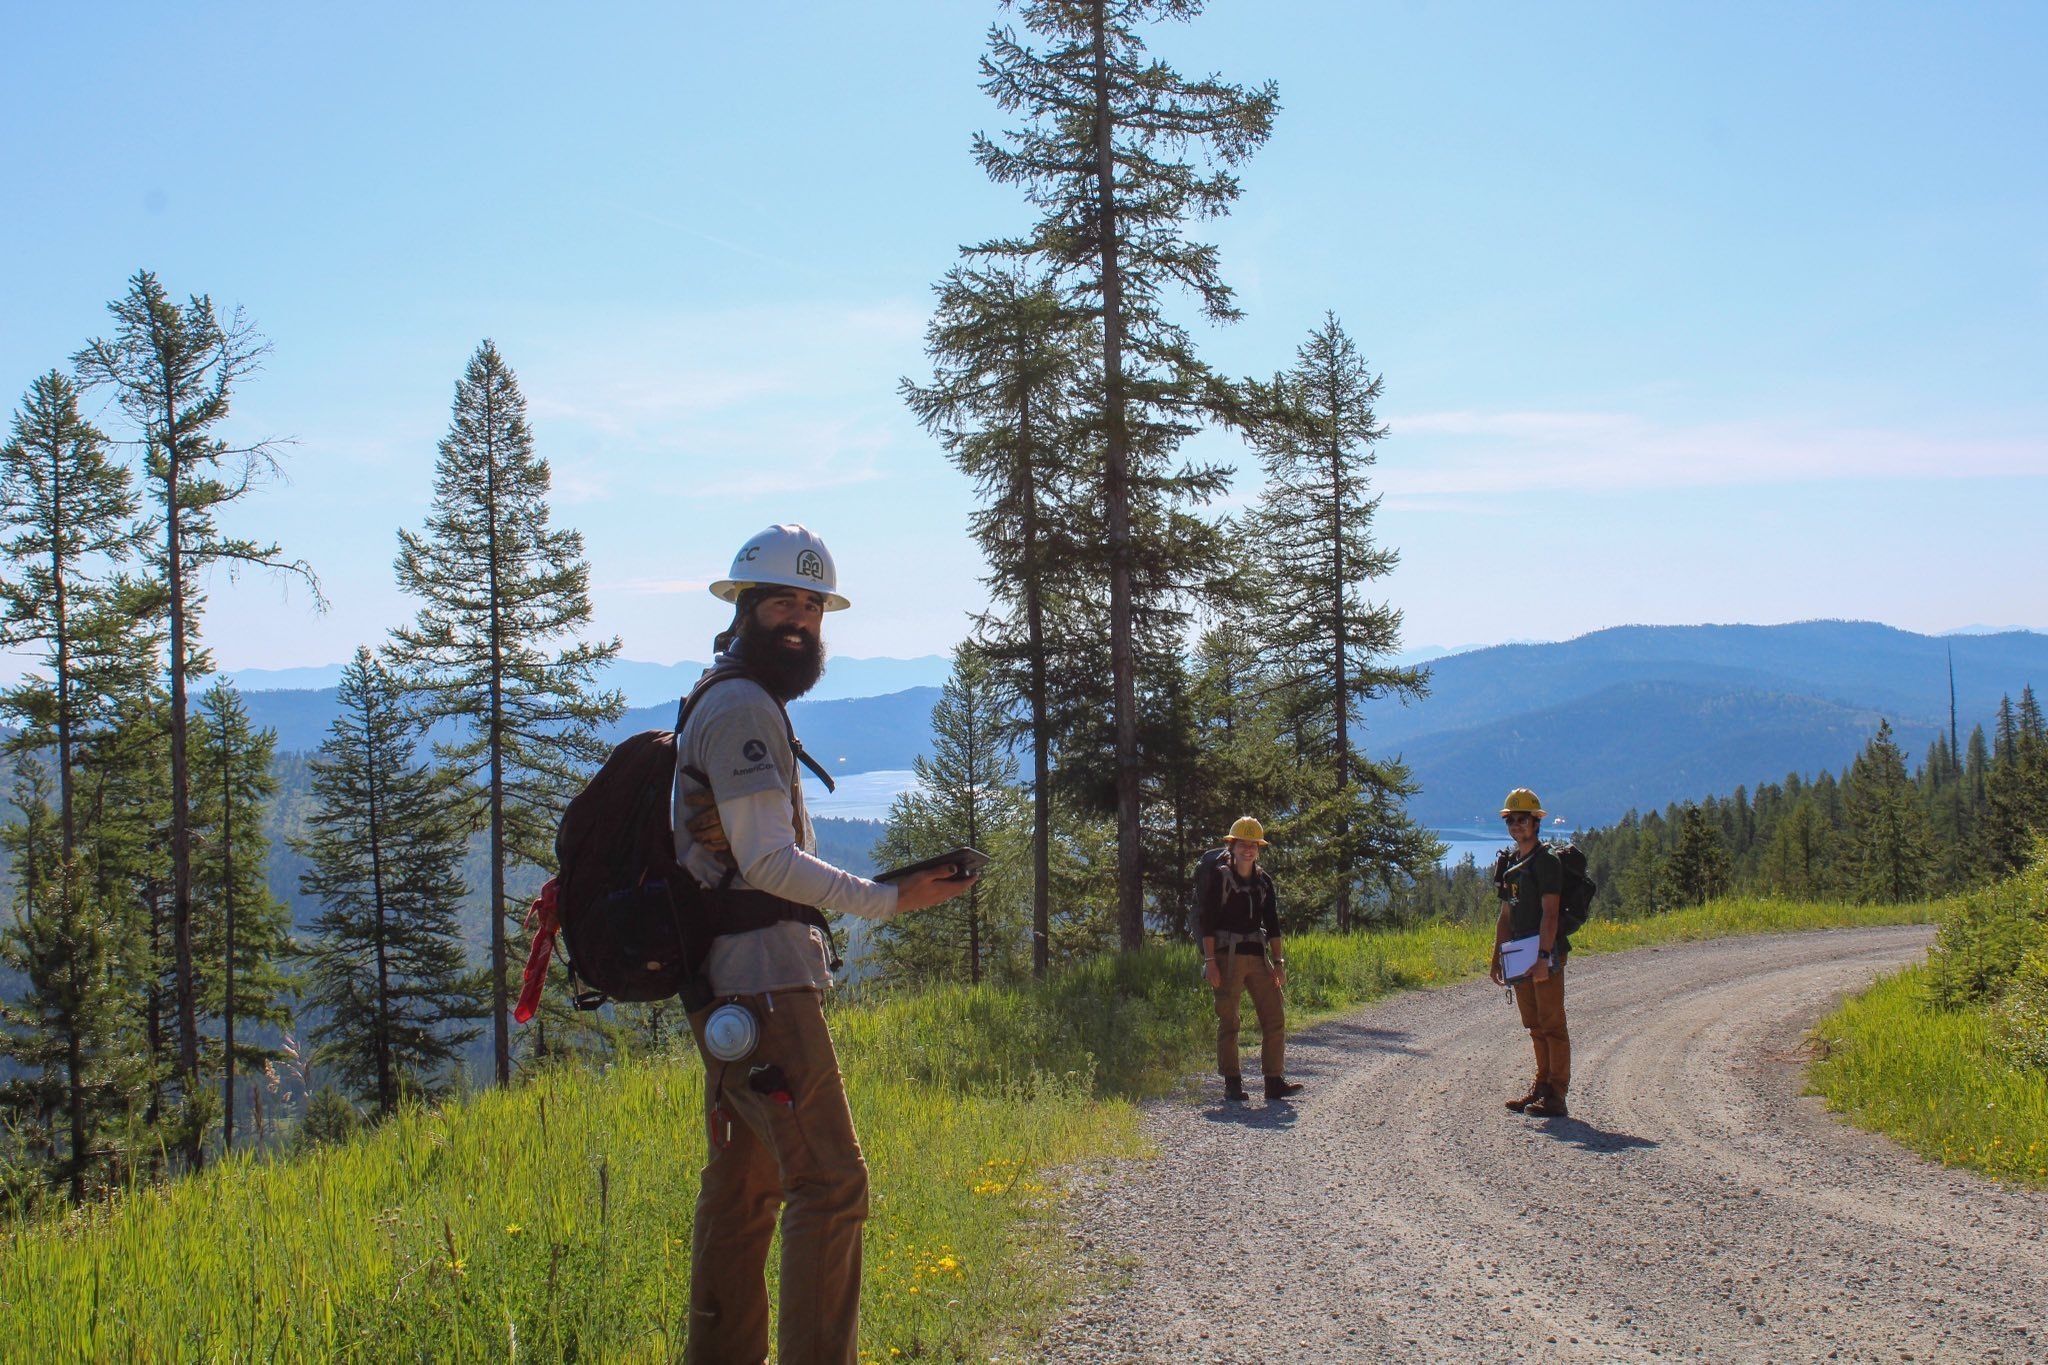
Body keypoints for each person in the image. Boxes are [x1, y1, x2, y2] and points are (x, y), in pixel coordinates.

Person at [676, 524, 971, 1365]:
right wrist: (884, 899)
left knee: (746, 1187)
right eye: (782, 601)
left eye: (813, 604)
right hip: (764, 986)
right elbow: (767, 859)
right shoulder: (740, 708)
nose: (800, 619)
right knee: (831, 1184)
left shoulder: (723, 693)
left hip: (729, 988)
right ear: (744, 607)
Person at [1195, 816, 1303, 1103]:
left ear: (1258, 848)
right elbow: (1206, 922)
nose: (1248, 850)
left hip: (1257, 956)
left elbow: (1273, 924)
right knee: (1229, 1019)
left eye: (1253, 845)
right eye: (1243, 844)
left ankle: (1273, 1080)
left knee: (1274, 1016)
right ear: (1232, 846)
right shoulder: (1218, 878)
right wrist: (1210, 962)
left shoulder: (1263, 881)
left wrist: (1278, 963)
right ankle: (1232, 1083)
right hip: (1225, 957)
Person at [1488, 787, 1571, 1118]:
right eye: (1511, 820)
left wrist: (1543, 957)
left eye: (1523, 820)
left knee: (1552, 1023)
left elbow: (1551, 914)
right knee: (1534, 1025)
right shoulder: (1511, 864)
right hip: (1518, 950)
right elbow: (1506, 917)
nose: (1517, 826)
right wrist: (1497, 958)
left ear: (1536, 823)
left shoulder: (1547, 863)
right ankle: (1540, 1086)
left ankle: (1556, 1096)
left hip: (1542, 952)